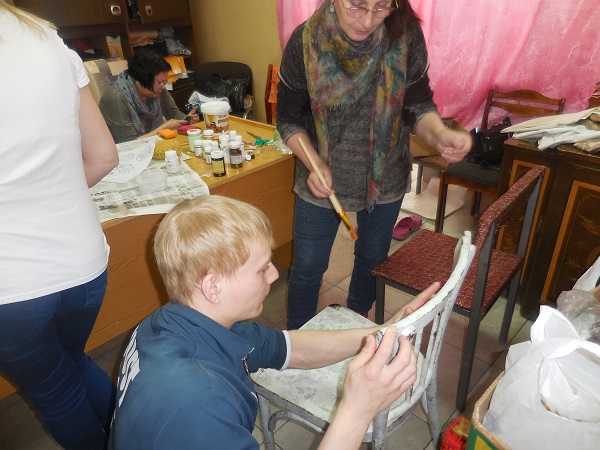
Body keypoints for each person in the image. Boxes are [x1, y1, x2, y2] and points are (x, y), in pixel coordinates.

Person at [108, 195, 441, 449]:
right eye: (261, 268)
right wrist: (357, 411)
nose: (274, 275)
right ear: (213, 287)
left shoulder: (175, 322)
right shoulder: (199, 403)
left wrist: (382, 332)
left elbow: (291, 348)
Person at [277, 0, 472, 329]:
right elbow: (289, 119)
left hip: (385, 177)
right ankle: (298, 336)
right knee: (308, 266)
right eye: (356, 6)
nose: (367, 20)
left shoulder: (405, 36)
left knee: (371, 259)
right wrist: (312, 162)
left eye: (381, 7)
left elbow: (417, 105)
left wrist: (439, 134)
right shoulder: (305, 41)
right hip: (320, 178)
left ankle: (359, 323)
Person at [0, 3, 119, 449]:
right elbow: (104, 156)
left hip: (12, 287)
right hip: (83, 264)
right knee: (71, 362)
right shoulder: (46, 40)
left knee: (56, 390)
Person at [98, 48, 200, 143]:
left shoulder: (156, 90)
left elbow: (173, 114)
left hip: (150, 145)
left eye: (165, 82)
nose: (163, 87)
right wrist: (163, 128)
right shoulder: (116, 98)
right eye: (160, 82)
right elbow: (128, 144)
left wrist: (187, 119)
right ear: (143, 78)